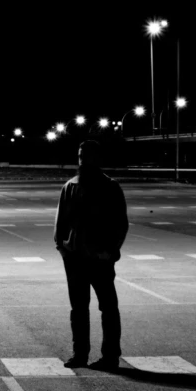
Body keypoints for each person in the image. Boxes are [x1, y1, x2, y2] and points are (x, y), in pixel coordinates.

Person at [53, 140, 129, 369]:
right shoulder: (70, 186)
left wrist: (110, 252)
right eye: (80, 155)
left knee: (108, 308)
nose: (82, 159)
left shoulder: (110, 187)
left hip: (100, 259)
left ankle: (110, 356)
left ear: (98, 158)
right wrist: (63, 249)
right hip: (75, 259)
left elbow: (120, 223)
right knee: (78, 309)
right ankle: (79, 355)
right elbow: (60, 224)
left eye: (86, 155)